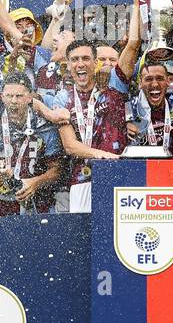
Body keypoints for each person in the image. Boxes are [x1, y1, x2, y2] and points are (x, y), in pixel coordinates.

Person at [46, 38, 133, 212]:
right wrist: (104, 155)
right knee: (85, 236)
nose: (80, 64)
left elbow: (133, 44)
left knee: (117, 234)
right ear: (68, 66)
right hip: (81, 180)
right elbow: (70, 146)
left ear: (95, 63)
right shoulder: (63, 98)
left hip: (117, 175)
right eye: (75, 59)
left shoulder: (114, 86)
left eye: (86, 58)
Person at [0, 74, 64, 216]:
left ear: (30, 97)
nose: (13, 101)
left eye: (19, 96)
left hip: (39, 204)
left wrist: (36, 182)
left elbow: (57, 170)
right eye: (9, 96)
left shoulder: (44, 127)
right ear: (2, 97)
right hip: (1, 205)